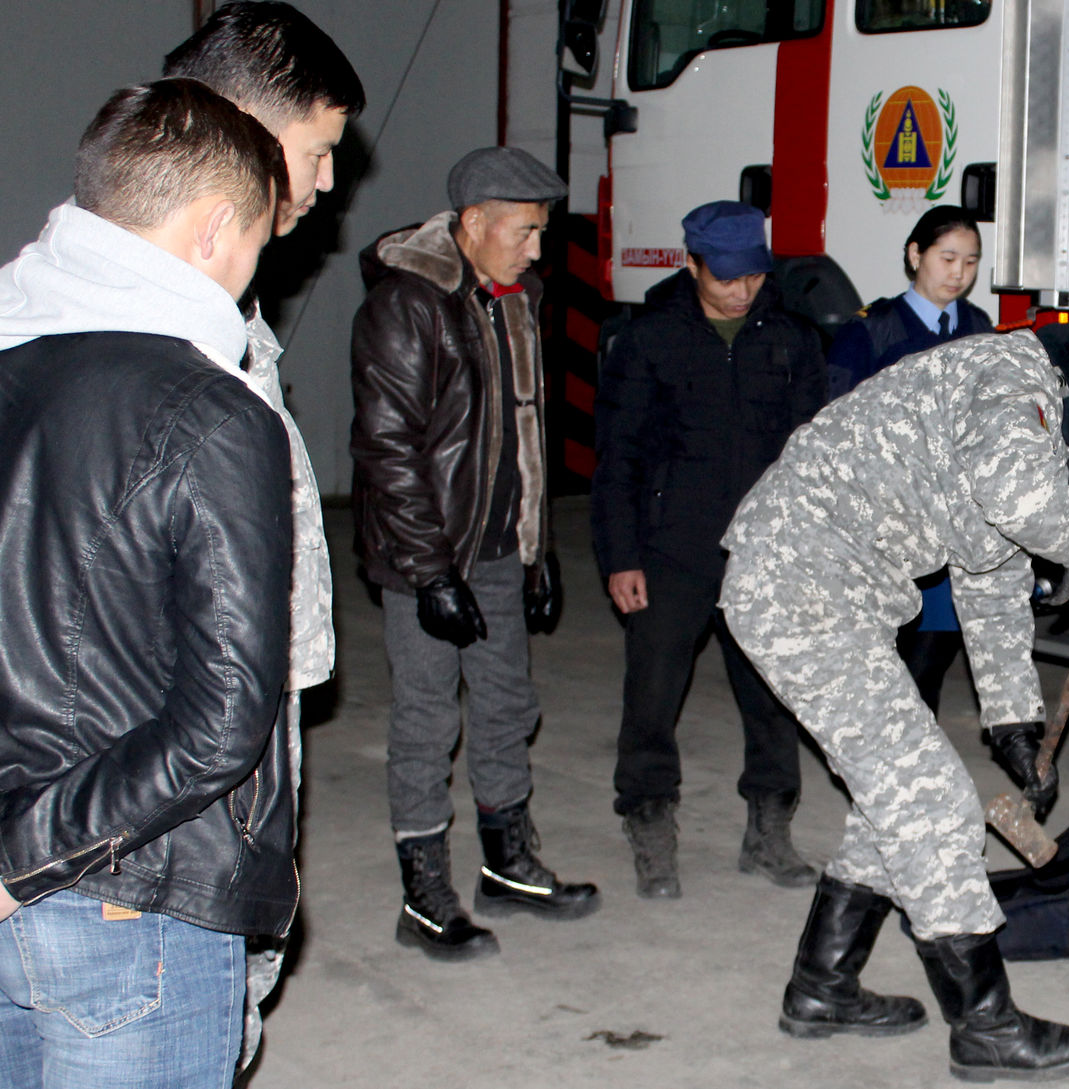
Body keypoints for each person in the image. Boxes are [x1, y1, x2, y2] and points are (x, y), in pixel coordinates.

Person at [719, 282, 1069, 1081]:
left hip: (821, 593)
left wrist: (1015, 724)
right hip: (799, 588)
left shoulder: (1036, 415)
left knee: (895, 795)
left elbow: (991, 572)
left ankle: (822, 985)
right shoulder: (1013, 383)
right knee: (934, 804)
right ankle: (984, 1024)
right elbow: (1021, 500)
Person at [0, 79, 294, 1088]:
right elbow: (222, 724)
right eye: (260, 242)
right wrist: (12, 857)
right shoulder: (212, 414)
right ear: (215, 227)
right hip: (122, 899)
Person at [162, 0, 364, 1062]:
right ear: (238, 128)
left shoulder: (225, 311)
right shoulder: (162, 326)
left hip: (244, 709)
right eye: (317, 151)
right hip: (189, 745)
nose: (328, 182)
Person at [351, 146, 596, 962]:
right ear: (473, 224)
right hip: (428, 554)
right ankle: (424, 896)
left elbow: (528, 432)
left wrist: (539, 546)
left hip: (497, 549)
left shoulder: (515, 299)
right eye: (525, 232)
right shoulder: (407, 305)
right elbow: (388, 450)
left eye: (540, 233)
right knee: (426, 718)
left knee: (505, 705)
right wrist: (429, 573)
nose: (537, 249)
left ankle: (508, 864)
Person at [591, 200, 827, 900]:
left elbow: (813, 453)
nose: (739, 290)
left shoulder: (792, 338)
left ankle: (769, 827)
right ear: (691, 264)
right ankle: (650, 822)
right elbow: (619, 457)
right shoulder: (651, 337)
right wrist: (620, 555)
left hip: (766, 552)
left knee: (773, 698)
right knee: (653, 693)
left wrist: (809, 549)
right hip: (673, 549)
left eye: (751, 276)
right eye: (723, 277)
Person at [826, 205, 994, 712]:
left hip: (951, 531)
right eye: (947, 258)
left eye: (970, 261)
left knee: (927, 667)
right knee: (882, 662)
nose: (958, 273)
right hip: (885, 525)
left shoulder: (978, 327)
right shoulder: (870, 333)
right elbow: (834, 432)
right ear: (915, 254)